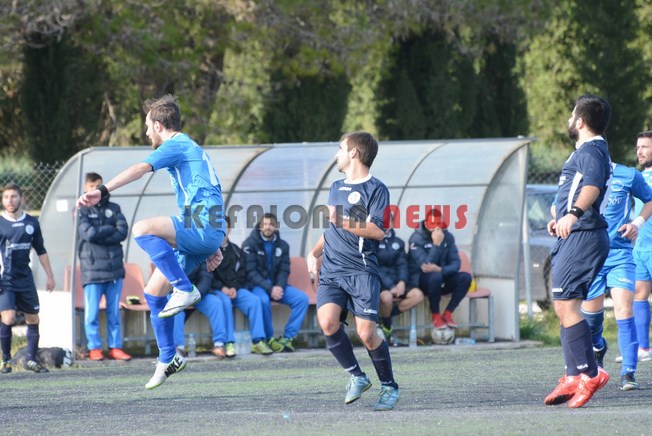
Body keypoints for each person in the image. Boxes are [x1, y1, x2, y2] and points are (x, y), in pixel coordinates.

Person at [76, 95, 225, 389]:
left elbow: (139, 169)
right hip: (205, 226)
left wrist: (101, 191)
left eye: (147, 127)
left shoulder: (176, 144)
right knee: (153, 293)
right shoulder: (191, 148)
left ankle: (185, 289)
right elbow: (210, 191)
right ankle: (168, 357)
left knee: (142, 229)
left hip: (203, 226)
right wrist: (213, 243)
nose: (146, 133)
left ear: (158, 126)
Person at [307, 131, 400, 411]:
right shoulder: (336, 187)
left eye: (340, 148)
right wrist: (314, 253)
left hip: (361, 270)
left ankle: (389, 387)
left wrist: (342, 220)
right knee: (327, 323)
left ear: (354, 153)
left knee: (367, 334)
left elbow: (378, 231)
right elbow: (332, 229)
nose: (336, 154)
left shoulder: (377, 189)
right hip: (332, 270)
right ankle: (357, 376)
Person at [544, 94, 612, 408]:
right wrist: (560, 218)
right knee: (564, 306)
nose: (569, 120)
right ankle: (573, 375)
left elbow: (592, 186)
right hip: (574, 235)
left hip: (583, 236)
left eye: (572, 115)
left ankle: (591, 373)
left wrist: (573, 214)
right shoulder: (585, 151)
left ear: (580, 121)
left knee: (566, 305)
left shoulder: (592, 150)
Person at [579, 162, 652, 391]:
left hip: (620, 254)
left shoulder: (627, 174)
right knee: (591, 320)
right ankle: (599, 346)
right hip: (590, 255)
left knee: (624, 309)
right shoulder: (579, 174)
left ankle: (628, 372)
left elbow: (650, 199)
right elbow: (557, 206)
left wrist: (636, 223)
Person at [0, 183, 56, 374]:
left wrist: (50, 276)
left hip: (25, 279)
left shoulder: (31, 223)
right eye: (6, 197)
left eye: (13, 196)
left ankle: (31, 360)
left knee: (33, 318)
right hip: (5, 280)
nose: (9, 200)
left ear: (21, 199)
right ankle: (6, 360)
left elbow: (41, 250)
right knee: (8, 317)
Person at [77, 172, 132, 362]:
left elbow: (122, 232)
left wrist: (102, 233)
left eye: (98, 186)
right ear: (85, 188)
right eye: (91, 186)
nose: (95, 189)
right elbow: (89, 234)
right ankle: (94, 348)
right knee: (91, 313)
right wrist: (109, 229)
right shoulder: (82, 210)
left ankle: (115, 347)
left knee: (113, 313)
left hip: (114, 269)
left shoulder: (114, 208)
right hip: (92, 271)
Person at [242, 213, 309, 352]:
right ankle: (269, 339)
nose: (268, 227)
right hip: (258, 286)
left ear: (276, 227)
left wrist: (279, 286)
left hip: (277, 286)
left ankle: (288, 338)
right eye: (265, 224)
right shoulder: (249, 244)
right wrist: (269, 288)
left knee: (302, 299)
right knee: (263, 301)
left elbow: (284, 270)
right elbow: (250, 272)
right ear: (260, 227)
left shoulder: (283, 245)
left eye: (271, 224)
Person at [209, 216, 273, 355]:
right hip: (218, 291)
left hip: (235, 291)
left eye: (225, 227)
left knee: (255, 301)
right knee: (225, 302)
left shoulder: (237, 250)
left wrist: (234, 288)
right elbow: (208, 276)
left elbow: (242, 274)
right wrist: (222, 288)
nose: (222, 230)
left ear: (229, 230)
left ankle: (258, 341)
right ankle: (229, 343)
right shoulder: (209, 251)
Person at [407, 211, 471, 330]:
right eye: (432, 224)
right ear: (426, 223)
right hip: (422, 281)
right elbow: (426, 266)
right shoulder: (416, 238)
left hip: (442, 277)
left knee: (465, 277)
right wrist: (436, 244)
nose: (436, 227)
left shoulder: (448, 237)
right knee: (435, 276)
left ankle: (448, 313)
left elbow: (456, 264)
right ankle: (435, 315)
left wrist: (441, 269)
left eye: (438, 223)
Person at [173, 264, 236, 359]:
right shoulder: (171, 256)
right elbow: (166, 279)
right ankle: (178, 347)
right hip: (176, 293)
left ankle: (219, 344)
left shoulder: (198, 255)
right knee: (174, 309)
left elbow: (206, 277)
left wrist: (197, 294)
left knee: (216, 303)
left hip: (197, 292)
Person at [378, 226, 424, 342]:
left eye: (388, 221)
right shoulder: (371, 242)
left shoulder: (399, 242)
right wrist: (390, 286)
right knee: (386, 298)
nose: (385, 225)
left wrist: (402, 282)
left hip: (398, 282)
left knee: (418, 295)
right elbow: (376, 267)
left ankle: (389, 314)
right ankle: (387, 326)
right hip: (381, 283)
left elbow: (403, 264)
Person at [630, 131, 652, 363]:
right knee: (639, 294)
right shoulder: (636, 177)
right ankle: (644, 348)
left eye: (645, 147)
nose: (640, 151)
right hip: (640, 248)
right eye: (638, 147)